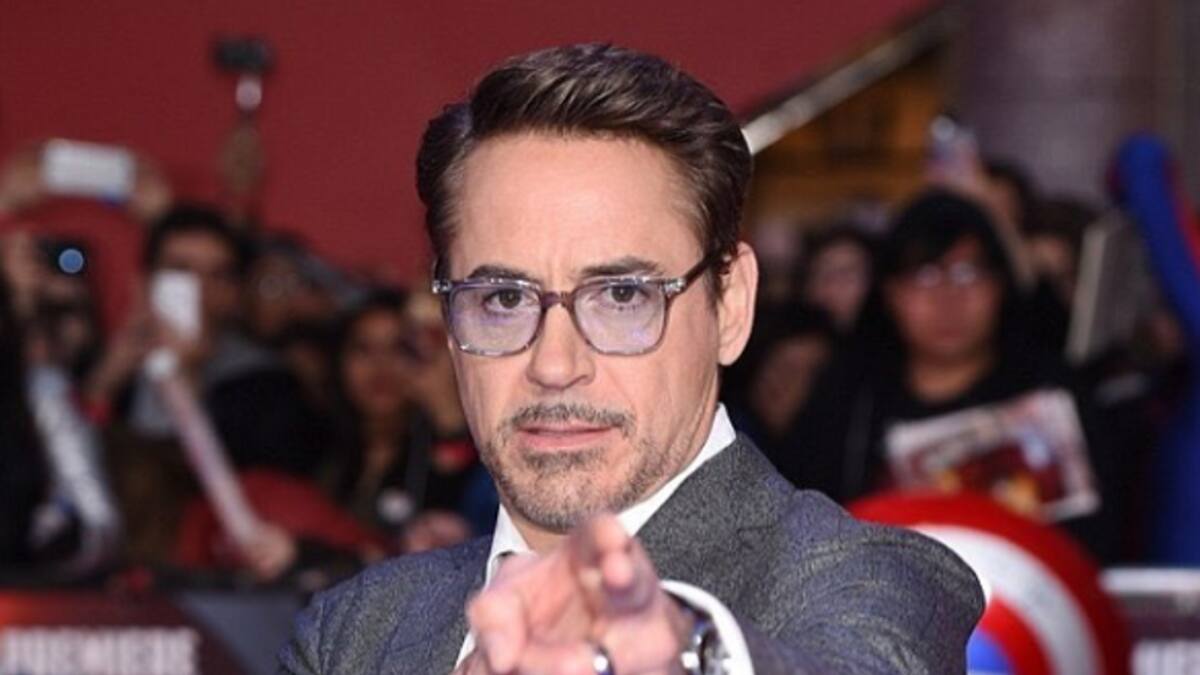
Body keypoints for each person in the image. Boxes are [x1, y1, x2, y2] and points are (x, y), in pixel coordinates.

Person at [278, 43, 983, 674]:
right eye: (503, 298)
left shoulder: (871, 579)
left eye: (621, 295)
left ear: (731, 306)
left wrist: (681, 652)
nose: (555, 364)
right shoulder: (355, 633)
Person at [789, 190, 1122, 562]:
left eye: (969, 273)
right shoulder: (848, 405)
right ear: (890, 292)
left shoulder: (1053, 393)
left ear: (1001, 285)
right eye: (925, 276)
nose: (948, 298)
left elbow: (1100, 537)